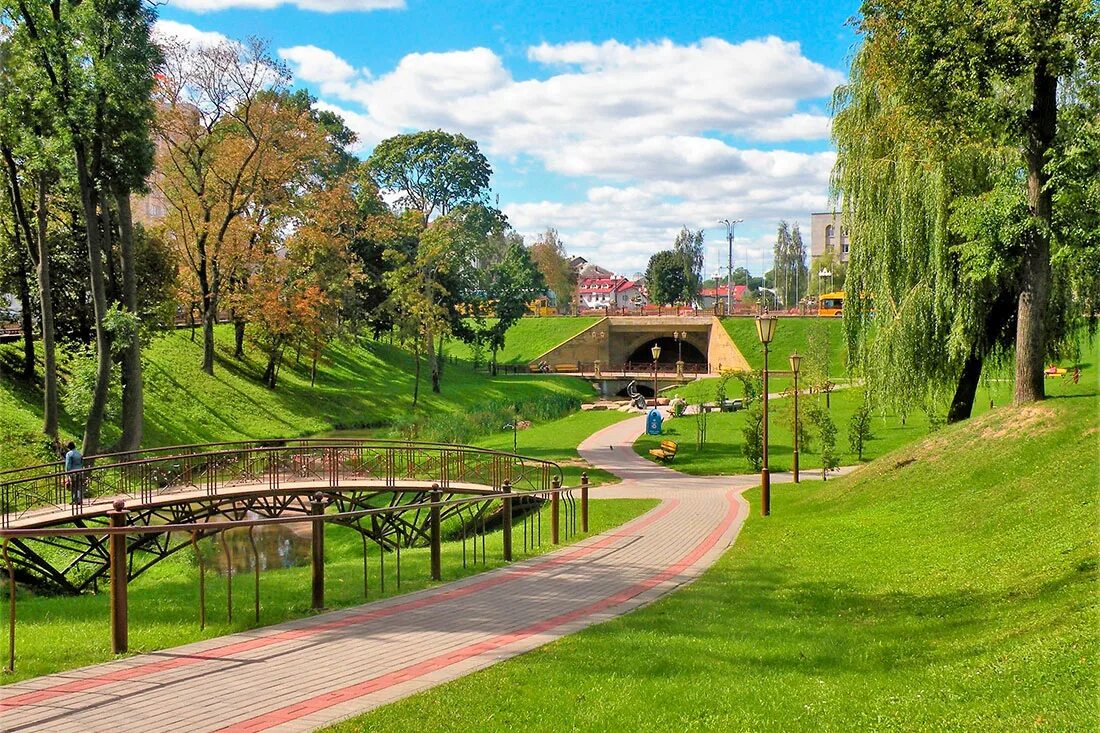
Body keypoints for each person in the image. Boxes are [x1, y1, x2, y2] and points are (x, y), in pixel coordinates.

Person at [64, 441, 84, 505]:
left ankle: (74, 499)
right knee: (79, 486)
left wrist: (67, 473)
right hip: (80, 471)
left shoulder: (69, 454)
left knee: (73, 486)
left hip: (73, 472)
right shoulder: (79, 453)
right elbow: (81, 462)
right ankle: (79, 499)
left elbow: (68, 465)